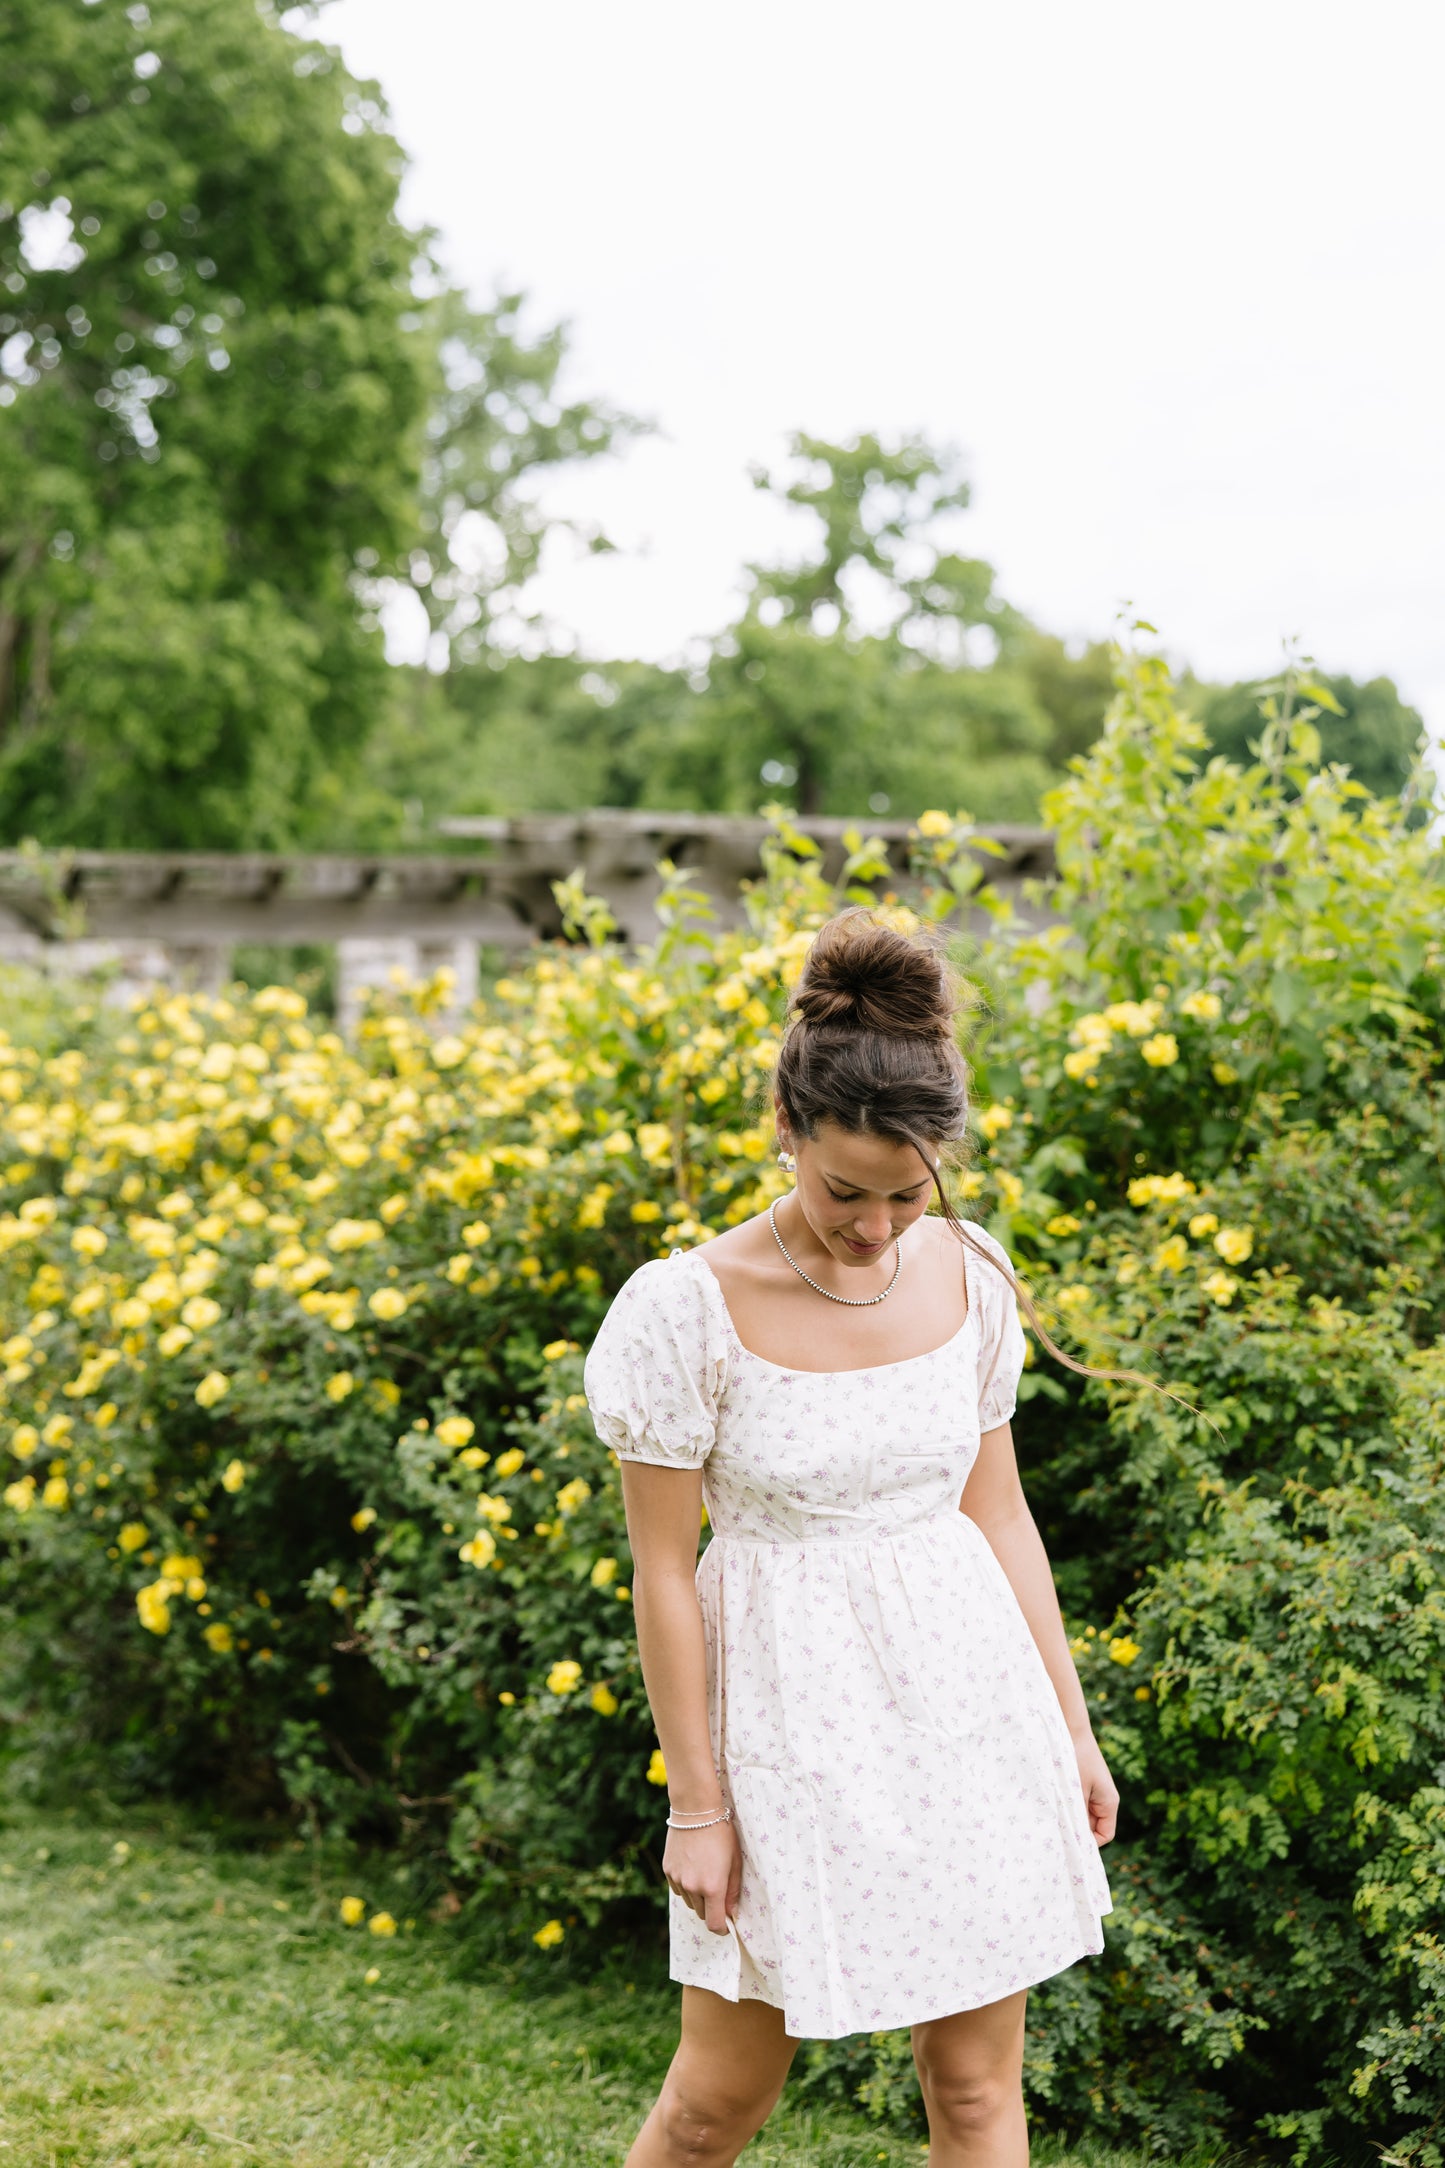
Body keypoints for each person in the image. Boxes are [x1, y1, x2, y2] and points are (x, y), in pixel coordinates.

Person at [583, 910, 1117, 2168]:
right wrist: (695, 1806)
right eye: (840, 1191)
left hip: (968, 1709)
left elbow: (997, 1512)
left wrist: (1071, 1730)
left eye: (904, 1191)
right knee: (717, 2098)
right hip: (780, 1729)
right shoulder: (685, 1309)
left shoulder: (970, 1274)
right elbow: (664, 1569)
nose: (874, 1225)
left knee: (977, 2092)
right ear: (785, 1128)